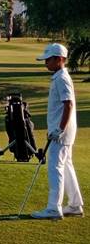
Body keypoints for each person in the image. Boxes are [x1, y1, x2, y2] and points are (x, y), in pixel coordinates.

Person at [31, 43, 84, 219]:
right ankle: (75, 205)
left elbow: (68, 104)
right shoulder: (59, 76)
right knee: (66, 165)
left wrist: (59, 129)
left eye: (49, 59)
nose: (46, 62)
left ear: (59, 59)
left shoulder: (61, 78)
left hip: (61, 132)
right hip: (62, 130)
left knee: (56, 167)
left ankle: (54, 208)